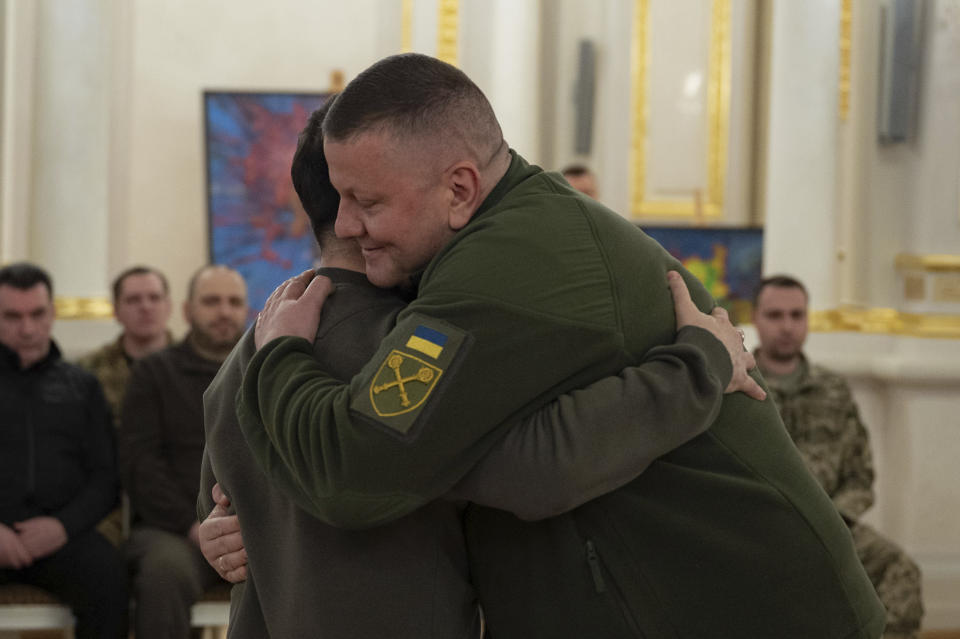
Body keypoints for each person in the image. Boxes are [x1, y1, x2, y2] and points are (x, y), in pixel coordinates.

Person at [241, 53, 885, 637]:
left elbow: (356, 473)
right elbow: (532, 465)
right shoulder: (489, 242)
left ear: (460, 189)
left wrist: (279, 359)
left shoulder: (500, 270)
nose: (346, 226)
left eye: (366, 201)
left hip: (738, 609)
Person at [197, 102, 750, 638]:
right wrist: (699, 366)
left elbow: (218, 506)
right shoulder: (414, 349)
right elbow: (542, 464)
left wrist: (216, 532)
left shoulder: (251, 349)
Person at [753, 274, 924, 639]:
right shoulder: (737, 384)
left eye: (797, 315)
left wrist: (833, 521)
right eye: (775, 315)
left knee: (900, 569)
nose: (787, 326)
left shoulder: (833, 389)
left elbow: (861, 476)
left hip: (834, 530)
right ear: (755, 319)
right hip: (759, 531)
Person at [0, 262, 127, 639]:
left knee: (110, 580)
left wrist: (61, 526)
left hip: (62, 537)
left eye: (37, 314)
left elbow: (105, 477)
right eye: (12, 316)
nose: (27, 328)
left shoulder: (83, 386)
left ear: (52, 313)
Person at [120, 265, 246, 639]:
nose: (224, 311)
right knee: (164, 573)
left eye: (234, 302)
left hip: (252, 527)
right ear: (188, 310)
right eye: (211, 301)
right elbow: (141, 466)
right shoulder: (153, 373)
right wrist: (196, 526)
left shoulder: (268, 368)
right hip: (175, 531)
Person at [78, 265, 173, 545]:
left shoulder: (190, 366)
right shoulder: (88, 372)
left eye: (154, 298)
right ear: (116, 311)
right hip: (109, 496)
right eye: (133, 300)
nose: (145, 307)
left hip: (176, 493)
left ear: (168, 306)